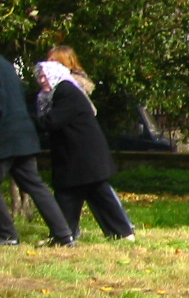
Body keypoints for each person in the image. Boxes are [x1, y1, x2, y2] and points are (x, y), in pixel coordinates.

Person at [34, 58, 135, 241]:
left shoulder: (65, 90)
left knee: (93, 192)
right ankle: (65, 235)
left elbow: (52, 122)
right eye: (39, 77)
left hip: (83, 156)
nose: (42, 80)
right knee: (70, 194)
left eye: (44, 76)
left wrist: (32, 120)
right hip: (77, 157)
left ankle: (121, 232)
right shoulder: (59, 93)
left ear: (54, 75)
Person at [0, 55, 76, 247]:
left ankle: (8, 235)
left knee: (34, 184)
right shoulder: (7, 65)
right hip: (23, 132)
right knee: (35, 185)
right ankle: (63, 234)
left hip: (5, 133)